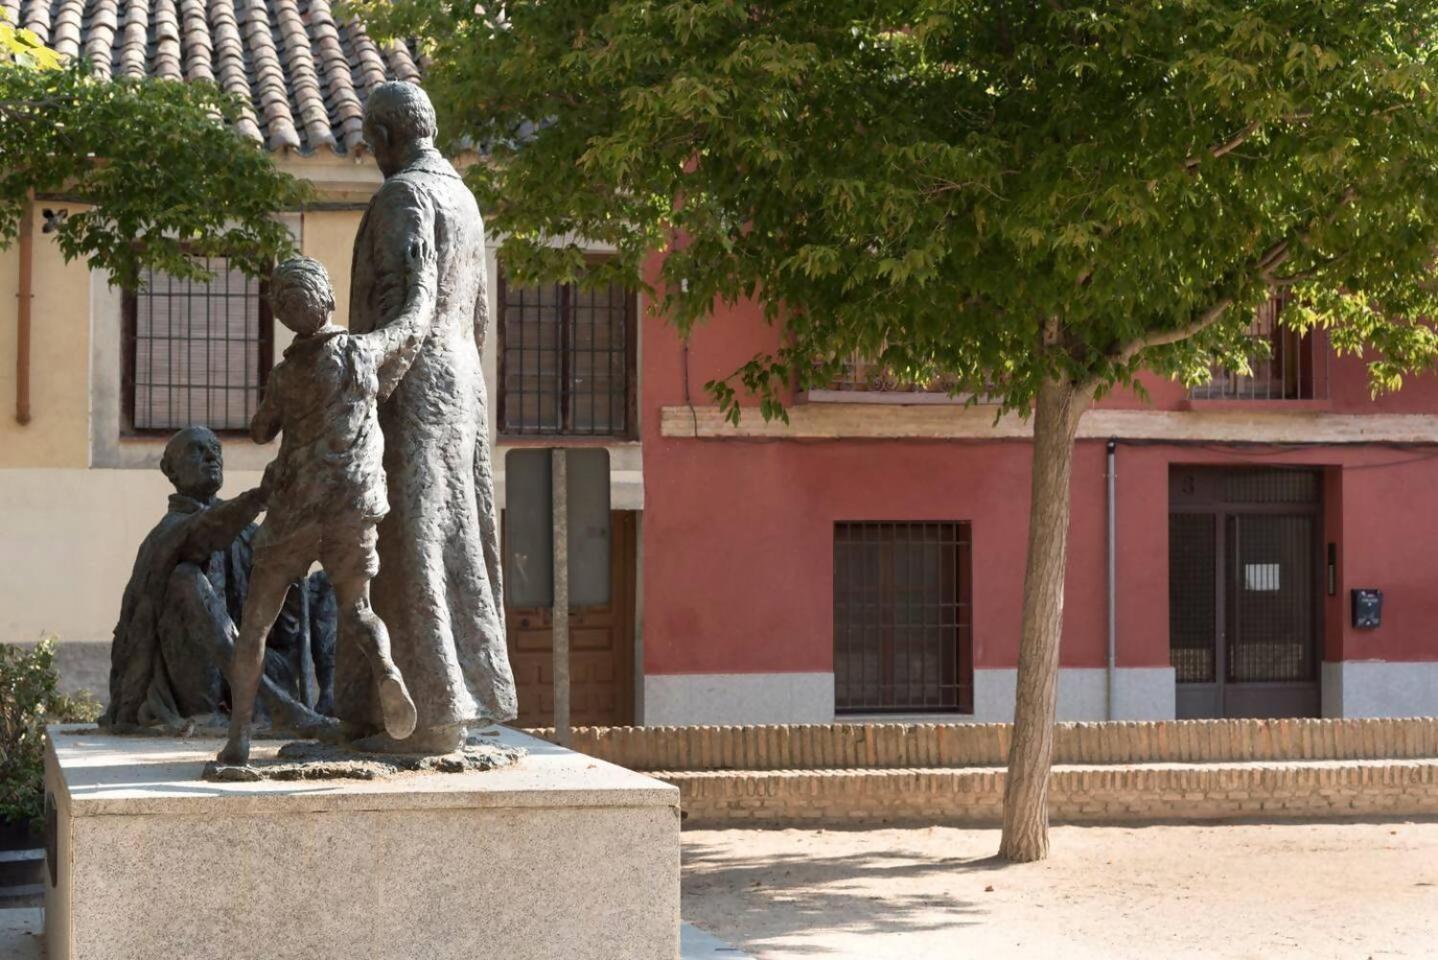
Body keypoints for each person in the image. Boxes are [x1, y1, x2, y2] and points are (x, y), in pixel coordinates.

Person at [343, 81, 517, 753]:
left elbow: (409, 305)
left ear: (385, 138)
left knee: (403, 541)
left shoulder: (403, 195)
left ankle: (419, 719)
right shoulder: (464, 198)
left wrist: (363, 374)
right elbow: (476, 314)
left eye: (370, 144)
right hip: (463, 379)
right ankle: (440, 706)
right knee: (455, 537)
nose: (371, 156)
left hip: (413, 380)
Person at [218, 246, 437, 766]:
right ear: (329, 299)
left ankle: (239, 740)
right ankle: (385, 668)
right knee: (358, 610)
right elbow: (412, 326)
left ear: (284, 317)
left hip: (294, 507)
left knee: (255, 625)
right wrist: (422, 276)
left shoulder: (286, 375)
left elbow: (259, 430)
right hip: (351, 505)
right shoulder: (360, 353)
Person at [104, 426, 335, 733]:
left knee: (329, 582)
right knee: (185, 578)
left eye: (215, 448)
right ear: (170, 470)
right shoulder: (167, 534)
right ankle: (281, 707)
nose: (212, 455)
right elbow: (204, 531)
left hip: (255, 669)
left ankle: (331, 696)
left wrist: (295, 573)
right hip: (194, 687)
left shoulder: (247, 533)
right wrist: (261, 496)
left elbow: (284, 627)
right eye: (197, 450)